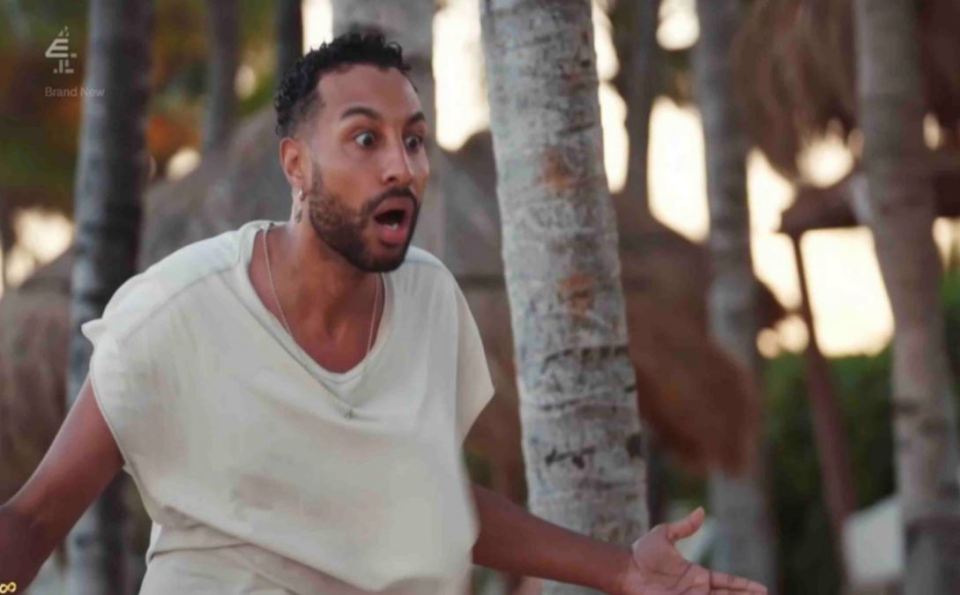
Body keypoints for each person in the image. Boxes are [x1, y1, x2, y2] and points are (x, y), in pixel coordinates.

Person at [0, 33, 767, 594]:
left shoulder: (432, 301)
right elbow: (33, 521)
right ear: (296, 164)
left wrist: (621, 570)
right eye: (364, 138)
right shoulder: (176, 312)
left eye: (413, 140)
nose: (400, 165)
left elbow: (426, 492)